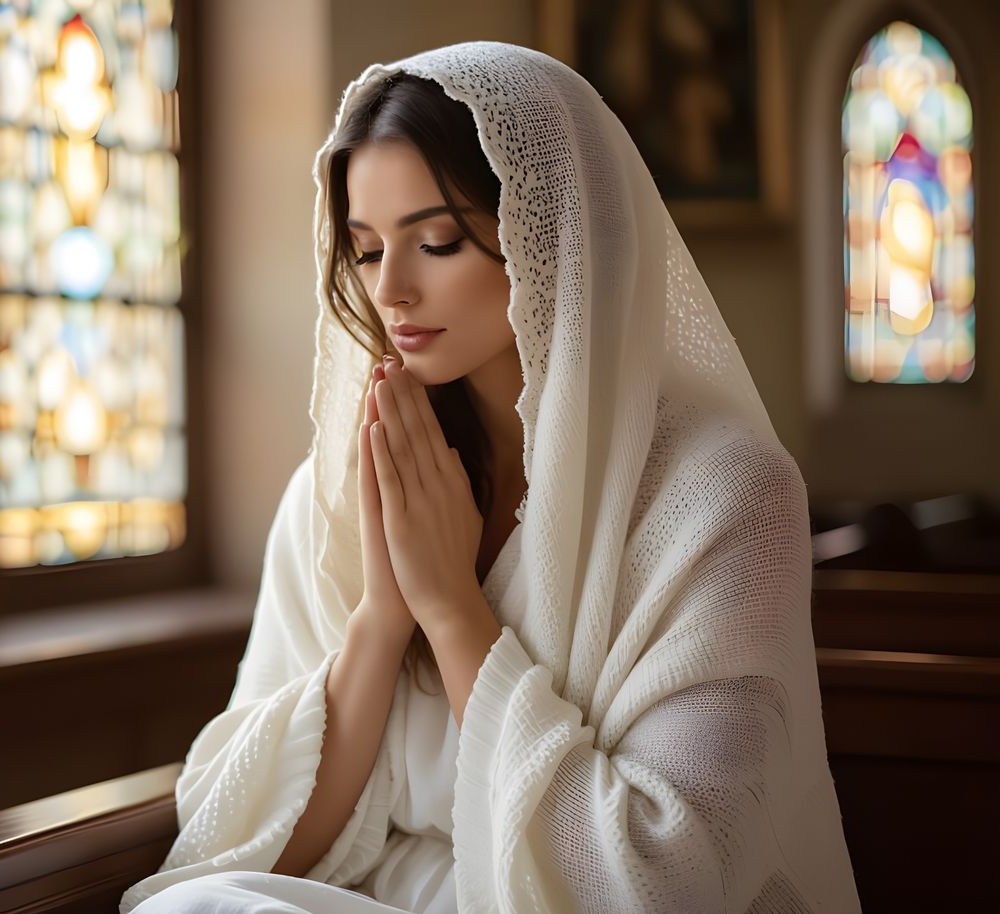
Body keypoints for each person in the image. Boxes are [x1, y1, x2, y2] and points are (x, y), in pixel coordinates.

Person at [120, 41, 861, 914]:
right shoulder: (346, 489)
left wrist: (453, 611)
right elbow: (233, 838)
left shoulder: (725, 497)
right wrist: (383, 619)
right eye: (363, 250)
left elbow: (663, 882)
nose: (391, 289)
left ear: (550, 238)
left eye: (436, 242)